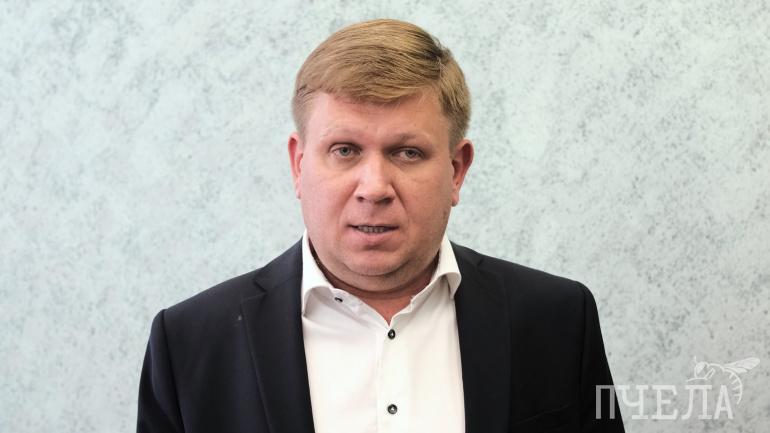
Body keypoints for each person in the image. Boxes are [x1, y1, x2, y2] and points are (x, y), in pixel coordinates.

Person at [137, 19, 625, 433]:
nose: (374, 188)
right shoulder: (188, 345)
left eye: (407, 152)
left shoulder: (560, 321)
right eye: (345, 150)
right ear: (298, 165)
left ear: (457, 170)